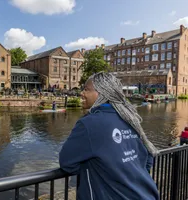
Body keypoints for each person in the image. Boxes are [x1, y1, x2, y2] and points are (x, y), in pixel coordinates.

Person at [59, 72, 159, 200]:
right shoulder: (129, 118)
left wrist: (93, 167)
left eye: (86, 89)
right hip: (146, 194)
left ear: (102, 93)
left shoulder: (89, 123)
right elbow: (149, 157)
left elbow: (67, 163)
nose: (81, 93)